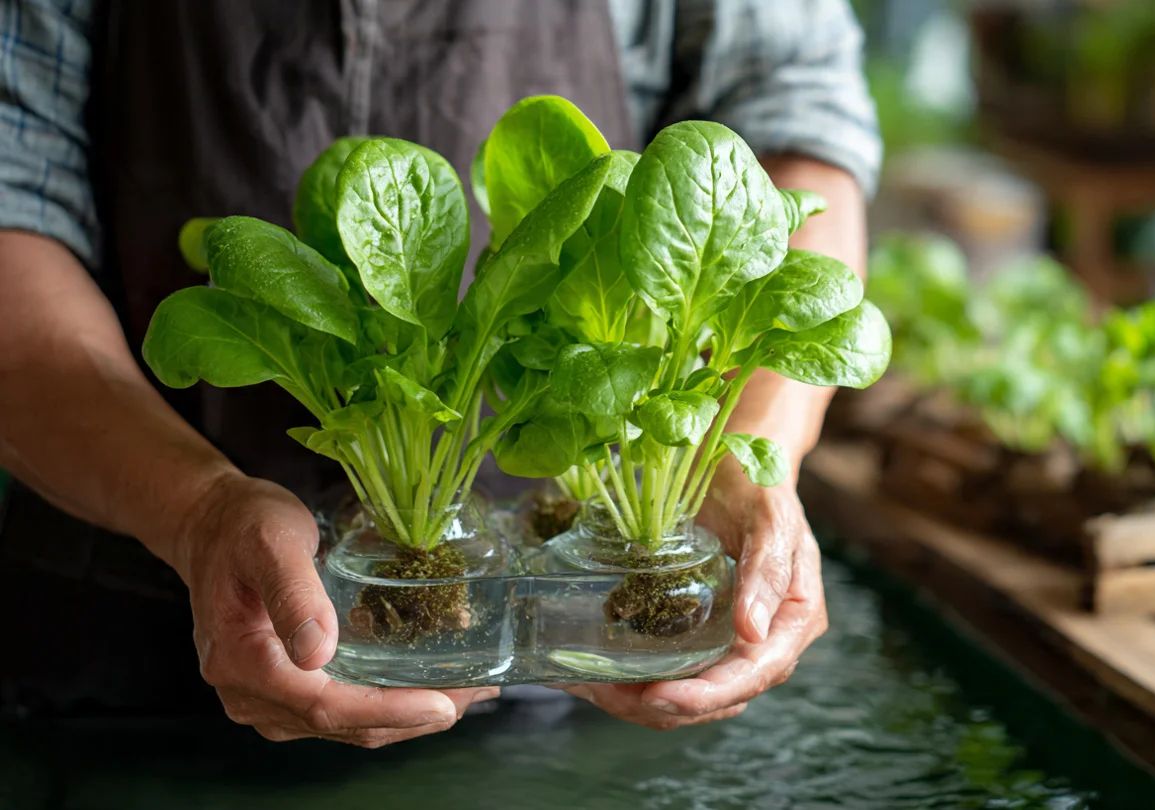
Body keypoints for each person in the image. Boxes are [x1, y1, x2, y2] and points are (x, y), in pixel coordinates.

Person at [0, 1, 880, 746]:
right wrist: (193, 512)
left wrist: (745, 445)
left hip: (554, 668)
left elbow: (792, 115)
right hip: (127, 649)